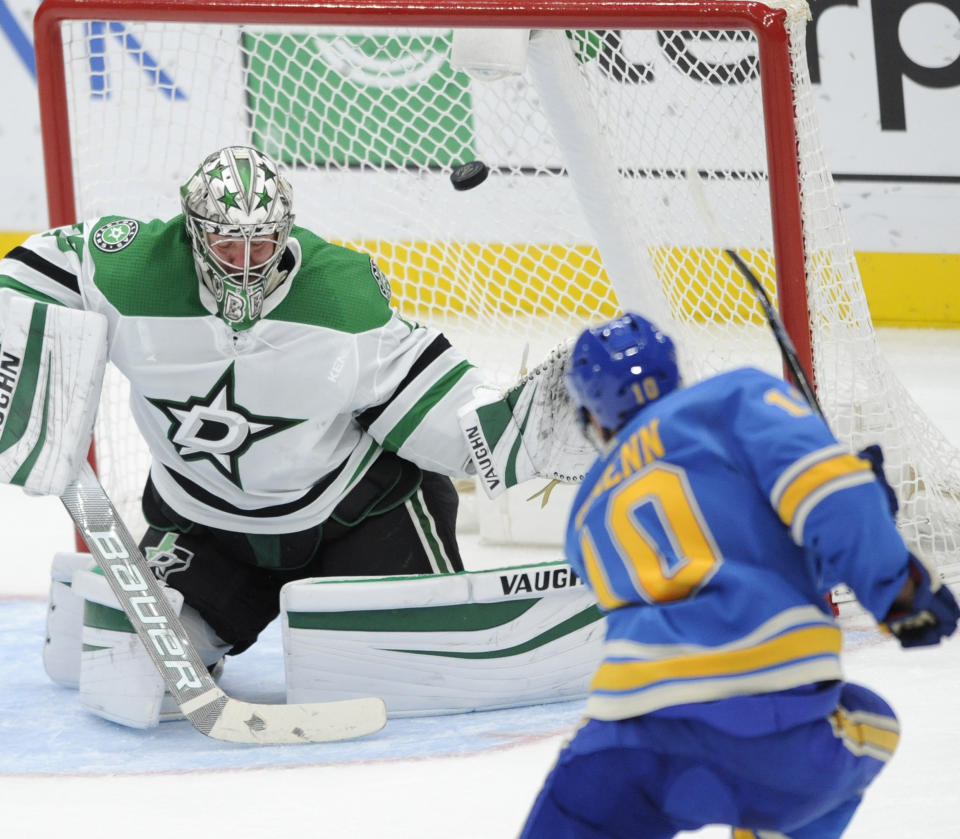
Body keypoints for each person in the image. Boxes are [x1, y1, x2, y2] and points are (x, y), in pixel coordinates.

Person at [0, 145, 592, 719]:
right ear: (193, 231)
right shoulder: (132, 270)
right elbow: (32, 272)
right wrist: (12, 374)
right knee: (135, 673)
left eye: (264, 242)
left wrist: (526, 430)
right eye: (229, 242)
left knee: (407, 681)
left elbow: (434, 403)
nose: (247, 260)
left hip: (355, 518)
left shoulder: (341, 295)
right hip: (207, 525)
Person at [518, 312, 960, 839]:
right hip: (766, 730)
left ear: (592, 416)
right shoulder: (735, 400)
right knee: (872, 722)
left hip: (621, 736)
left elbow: (694, 564)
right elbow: (830, 502)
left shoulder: (585, 508)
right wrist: (900, 592)